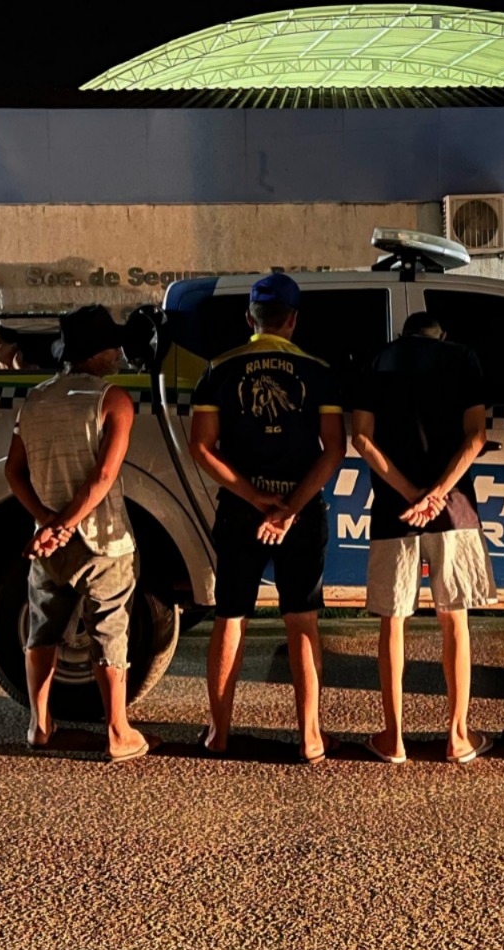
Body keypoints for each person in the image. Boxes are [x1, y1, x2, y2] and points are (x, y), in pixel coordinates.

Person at [189, 273, 346, 763]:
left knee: (231, 616)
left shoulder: (219, 369)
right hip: (301, 513)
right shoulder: (318, 371)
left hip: (242, 512)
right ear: (293, 320)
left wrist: (256, 498)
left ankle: (218, 733)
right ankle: (311, 738)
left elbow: (201, 448)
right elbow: (333, 450)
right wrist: (290, 507)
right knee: (302, 620)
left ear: (250, 319)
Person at [3, 305, 157, 763]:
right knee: (109, 630)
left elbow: (14, 472)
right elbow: (103, 476)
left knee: (42, 629)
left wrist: (47, 522)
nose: (118, 354)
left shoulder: (36, 399)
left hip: (49, 544)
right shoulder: (113, 400)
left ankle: (39, 725)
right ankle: (118, 732)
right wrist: (67, 523)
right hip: (103, 540)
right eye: (113, 347)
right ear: (98, 352)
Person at [351, 311, 496, 764]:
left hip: (394, 509)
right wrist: (437, 493)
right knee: (454, 619)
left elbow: (361, 438)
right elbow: (476, 437)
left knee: (393, 620)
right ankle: (457, 737)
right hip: (453, 507)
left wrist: (411, 493)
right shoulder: (463, 358)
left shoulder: (377, 360)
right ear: (441, 334)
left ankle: (393, 739)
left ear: (404, 334)